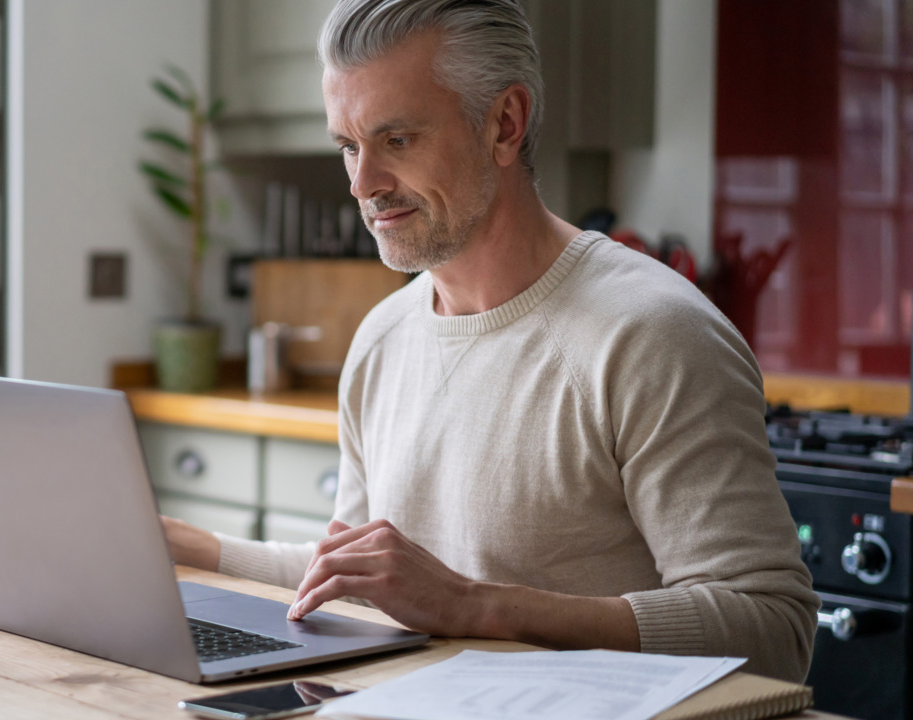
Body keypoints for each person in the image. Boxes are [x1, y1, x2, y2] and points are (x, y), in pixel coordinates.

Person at [162, 0, 818, 682]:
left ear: (505, 124)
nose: (363, 185)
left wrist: (479, 607)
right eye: (348, 146)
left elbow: (773, 631)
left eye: (397, 141)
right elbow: (358, 576)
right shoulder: (383, 338)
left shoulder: (652, 334)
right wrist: (188, 548)